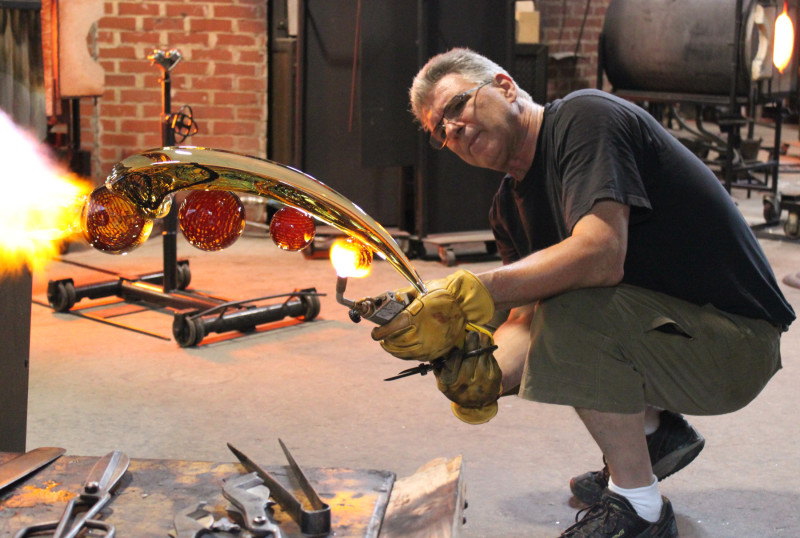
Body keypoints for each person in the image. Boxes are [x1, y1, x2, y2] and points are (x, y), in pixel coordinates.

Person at [366, 48, 796, 537]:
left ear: (505, 87)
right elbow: (524, 323)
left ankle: (640, 510)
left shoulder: (585, 118)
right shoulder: (508, 207)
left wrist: (476, 289)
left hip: (738, 344)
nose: (452, 130)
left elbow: (600, 254)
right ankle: (653, 437)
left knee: (572, 300)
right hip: (680, 332)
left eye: (456, 107)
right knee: (554, 306)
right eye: (439, 131)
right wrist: (481, 376)